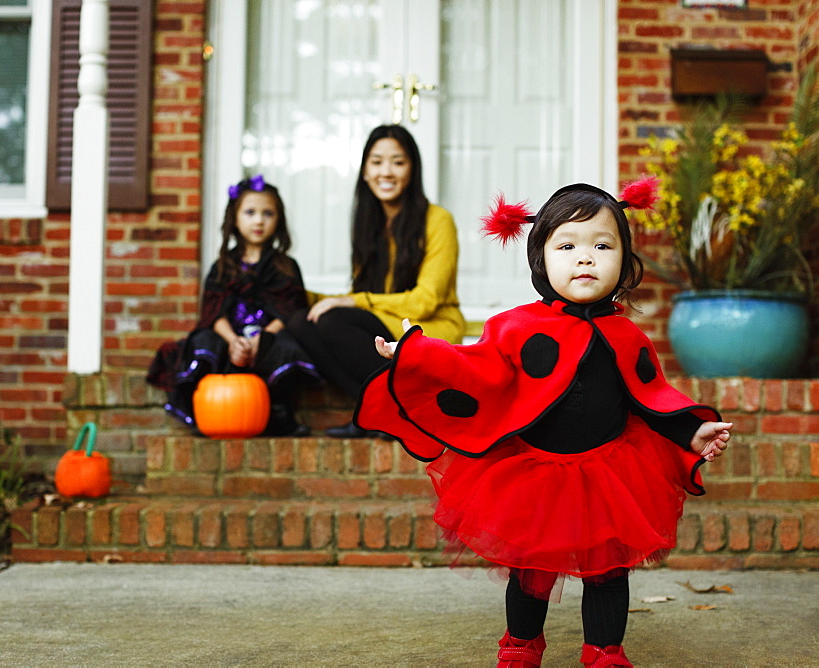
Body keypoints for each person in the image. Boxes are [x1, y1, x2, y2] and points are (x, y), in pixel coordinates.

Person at [355, 178, 732, 667]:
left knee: (608, 570)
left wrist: (691, 431)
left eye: (602, 245)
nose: (586, 258)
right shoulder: (516, 326)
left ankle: (604, 651)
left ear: (624, 258)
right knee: (530, 571)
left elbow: (651, 397)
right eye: (568, 245)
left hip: (609, 472)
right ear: (541, 258)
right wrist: (418, 355)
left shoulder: (626, 334)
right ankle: (521, 645)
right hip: (533, 471)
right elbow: (474, 368)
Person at [288, 124, 464, 438]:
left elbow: (425, 300)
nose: (387, 171)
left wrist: (353, 301)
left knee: (333, 321)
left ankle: (392, 409)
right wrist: (298, 293)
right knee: (301, 321)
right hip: (385, 323)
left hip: (429, 324)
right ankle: (381, 412)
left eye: (398, 162)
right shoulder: (369, 224)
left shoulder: (438, 220)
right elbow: (366, 294)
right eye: (377, 162)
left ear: (412, 170)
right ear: (365, 172)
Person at [147, 175, 320, 437]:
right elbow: (213, 311)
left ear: (278, 220)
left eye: (267, 213)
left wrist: (261, 338)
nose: (259, 220)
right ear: (235, 218)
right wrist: (232, 340)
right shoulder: (223, 266)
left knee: (284, 345)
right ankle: (205, 409)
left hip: (267, 335)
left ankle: (278, 411)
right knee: (204, 341)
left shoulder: (285, 266)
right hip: (230, 336)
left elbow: (289, 309)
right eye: (250, 212)